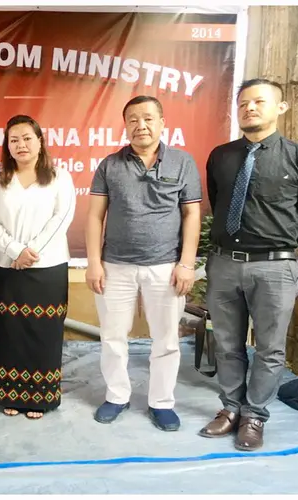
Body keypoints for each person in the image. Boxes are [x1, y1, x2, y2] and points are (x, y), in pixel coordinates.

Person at [199, 79, 298, 450]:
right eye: (243, 103)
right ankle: (230, 408)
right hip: (224, 265)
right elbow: (219, 202)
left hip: (275, 268)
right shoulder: (221, 156)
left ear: (280, 108)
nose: (250, 108)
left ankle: (254, 415)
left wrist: (274, 243)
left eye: (259, 102)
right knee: (226, 343)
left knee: (270, 349)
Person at [85, 95, 202, 431]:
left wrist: (187, 264)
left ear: (162, 123)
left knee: (166, 339)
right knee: (112, 337)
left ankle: (161, 402)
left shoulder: (182, 162)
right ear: (125, 126)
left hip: (165, 266)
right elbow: (94, 216)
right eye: (133, 119)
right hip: (115, 265)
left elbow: (191, 214)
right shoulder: (110, 165)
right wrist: (94, 262)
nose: (141, 125)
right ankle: (116, 396)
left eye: (148, 118)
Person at [0, 115, 76, 420]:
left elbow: (62, 217)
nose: (21, 144)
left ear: (40, 141)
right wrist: (15, 251)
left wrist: (30, 251)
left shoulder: (59, 177)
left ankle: (40, 397)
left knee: (43, 331)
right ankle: (9, 395)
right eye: (14, 140)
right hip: (6, 267)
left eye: (26, 138)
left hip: (47, 266)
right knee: (9, 332)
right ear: (7, 146)